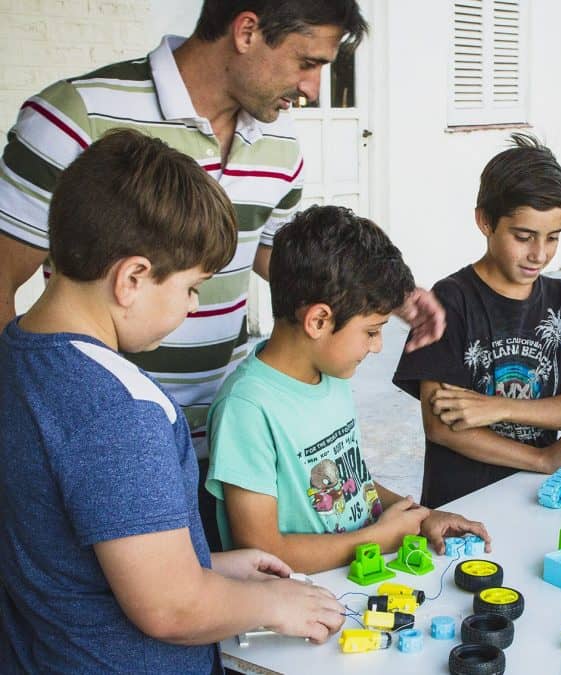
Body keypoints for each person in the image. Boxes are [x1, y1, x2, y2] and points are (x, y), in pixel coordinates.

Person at [0, 0, 444, 551]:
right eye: (307, 61)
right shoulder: (75, 115)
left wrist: (381, 297)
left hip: (225, 445)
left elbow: (288, 266)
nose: (310, 87)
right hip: (104, 455)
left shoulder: (281, 146)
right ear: (247, 30)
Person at [0, 129, 345, 674]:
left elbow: (84, 556)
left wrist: (212, 565)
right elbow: (170, 607)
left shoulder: (19, 356)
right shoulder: (120, 410)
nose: (192, 305)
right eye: (192, 287)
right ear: (133, 278)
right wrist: (274, 603)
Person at [206, 205, 491, 573]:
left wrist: (422, 518)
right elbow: (260, 550)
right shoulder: (247, 409)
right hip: (300, 609)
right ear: (319, 321)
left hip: (354, 586)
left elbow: (352, 488)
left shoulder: (331, 375)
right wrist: (377, 539)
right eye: (372, 331)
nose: (377, 346)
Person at [393, 134, 561, 509]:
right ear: (485, 222)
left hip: (540, 499)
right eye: (524, 236)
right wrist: (541, 459)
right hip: (463, 504)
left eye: (553, 237)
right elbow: (442, 427)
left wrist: (499, 407)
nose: (539, 254)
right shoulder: (450, 303)